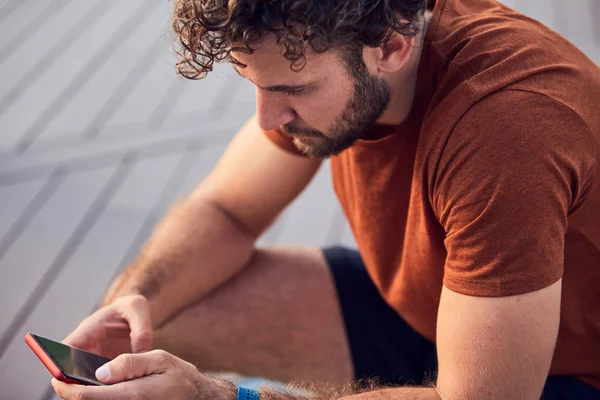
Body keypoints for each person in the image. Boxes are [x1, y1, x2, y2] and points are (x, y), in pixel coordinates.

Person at [50, 0, 600, 399]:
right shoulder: (319, 50)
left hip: (558, 372)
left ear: (390, 46)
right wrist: (135, 297)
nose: (267, 118)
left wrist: (221, 398)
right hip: (429, 310)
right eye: (255, 85)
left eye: (292, 91)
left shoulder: (508, 126)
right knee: (146, 334)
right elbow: (227, 210)